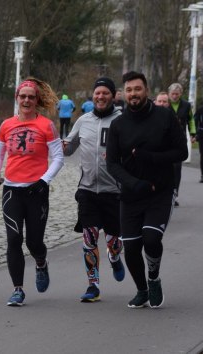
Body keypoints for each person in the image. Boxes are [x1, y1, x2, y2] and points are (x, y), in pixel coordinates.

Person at [105, 71, 187, 309]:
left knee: (151, 239)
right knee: (130, 248)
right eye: (129, 90)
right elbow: (112, 163)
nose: (133, 94)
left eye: (137, 89)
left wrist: (150, 157)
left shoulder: (164, 117)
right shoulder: (118, 125)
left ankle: (153, 278)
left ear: (147, 91)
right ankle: (142, 290)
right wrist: (132, 183)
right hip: (131, 194)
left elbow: (181, 152)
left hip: (160, 191)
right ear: (124, 93)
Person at [0, 77, 64, 306]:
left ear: (36, 99)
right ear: (17, 99)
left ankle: (41, 262)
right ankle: (18, 289)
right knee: (14, 239)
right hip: (12, 190)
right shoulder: (6, 125)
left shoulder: (46, 126)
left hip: (36, 191)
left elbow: (58, 158)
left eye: (31, 97)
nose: (27, 100)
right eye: (23, 96)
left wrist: (44, 180)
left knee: (34, 242)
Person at [62, 77, 125, 302]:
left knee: (113, 241)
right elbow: (68, 149)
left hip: (114, 192)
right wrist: (55, 144)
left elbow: (134, 149)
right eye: (97, 93)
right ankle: (93, 285)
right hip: (87, 190)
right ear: (93, 95)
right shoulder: (83, 121)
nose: (100, 97)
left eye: (105, 93)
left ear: (113, 95)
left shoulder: (123, 120)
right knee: (89, 239)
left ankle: (115, 257)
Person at [168, 83, 195, 206]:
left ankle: (175, 194)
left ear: (180, 94)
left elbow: (190, 120)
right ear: (169, 94)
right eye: (172, 94)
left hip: (180, 140)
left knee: (177, 168)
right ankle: (165, 193)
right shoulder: (165, 104)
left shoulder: (186, 105)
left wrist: (193, 133)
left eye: (177, 94)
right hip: (165, 141)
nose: (174, 96)